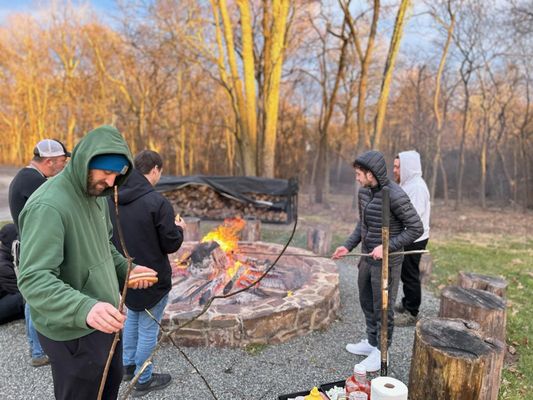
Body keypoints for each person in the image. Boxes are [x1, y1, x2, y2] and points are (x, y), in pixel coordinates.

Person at [17, 125, 158, 400]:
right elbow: (33, 278)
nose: (110, 182)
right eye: (105, 172)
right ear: (85, 162)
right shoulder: (48, 206)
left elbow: (102, 247)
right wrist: (85, 307)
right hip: (73, 328)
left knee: (108, 387)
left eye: (117, 175)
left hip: (103, 317)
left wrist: (125, 270)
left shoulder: (97, 196)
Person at [332, 150, 423, 372]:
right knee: (366, 302)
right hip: (367, 260)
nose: (356, 177)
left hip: (387, 264)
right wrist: (347, 245)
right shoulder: (364, 193)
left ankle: (383, 352)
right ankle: (372, 343)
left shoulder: (395, 195)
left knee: (383, 308)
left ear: (370, 174)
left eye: (359, 173)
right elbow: (362, 226)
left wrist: (387, 246)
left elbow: (415, 228)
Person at [108, 150, 185, 397]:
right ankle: (144, 379)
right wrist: (179, 229)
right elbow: (170, 243)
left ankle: (128, 367)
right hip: (152, 277)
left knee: (132, 318)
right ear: (155, 170)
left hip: (126, 274)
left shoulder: (113, 197)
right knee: (148, 329)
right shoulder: (157, 202)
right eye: (160, 172)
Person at [8, 138, 71, 367]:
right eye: (62, 161)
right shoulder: (33, 181)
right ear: (49, 161)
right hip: (33, 248)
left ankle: (37, 349)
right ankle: (38, 350)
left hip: (27, 246)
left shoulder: (28, 177)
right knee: (37, 300)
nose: (64, 165)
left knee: (32, 299)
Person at [392, 151, 430, 326]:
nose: (394, 170)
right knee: (406, 273)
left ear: (408, 167)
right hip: (407, 236)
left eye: (398, 167)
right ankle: (407, 302)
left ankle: (412, 312)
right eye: (394, 166)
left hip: (415, 237)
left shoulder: (417, 187)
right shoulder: (408, 184)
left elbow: (412, 217)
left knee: (410, 274)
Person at [0, 223, 24, 325]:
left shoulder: (8, 255)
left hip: (4, 297)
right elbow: (19, 288)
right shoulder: (3, 265)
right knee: (24, 298)